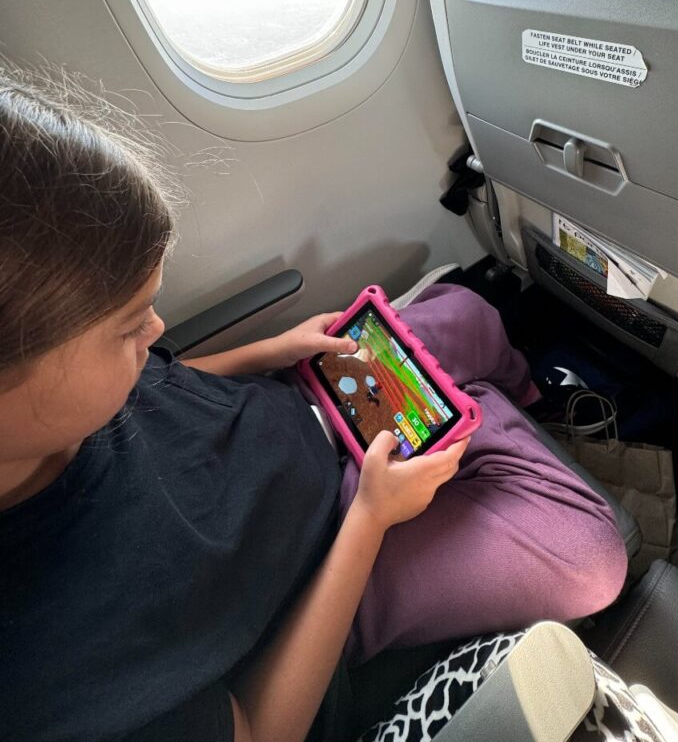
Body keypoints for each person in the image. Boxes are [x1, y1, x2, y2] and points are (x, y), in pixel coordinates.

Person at [0, 73, 627, 742]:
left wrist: (275, 350)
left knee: (474, 313)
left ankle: (493, 415)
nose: (157, 332)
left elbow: (163, 381)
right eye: (128, 327)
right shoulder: (45, 674)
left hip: (299, 406)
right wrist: (371, 516)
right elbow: (262, 729)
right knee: (592, 557)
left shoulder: (63, 403)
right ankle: (478, 418)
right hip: (322, 564)